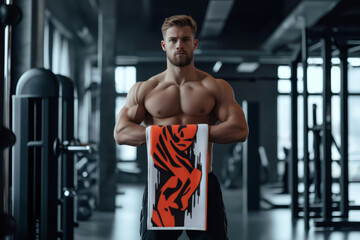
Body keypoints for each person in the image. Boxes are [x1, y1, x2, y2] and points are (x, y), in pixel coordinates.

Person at [114, 15, 248, 240]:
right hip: (161, 183)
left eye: (185, 39)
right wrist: (166, 136)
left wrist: (194, 136)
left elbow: (240, 129)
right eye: (173, 40)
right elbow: (121, 132)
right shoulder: (146, 89)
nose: (179, 45)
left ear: (194, 44)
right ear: (164, 45)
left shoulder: (214, 87)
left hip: (202, 182)